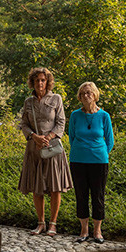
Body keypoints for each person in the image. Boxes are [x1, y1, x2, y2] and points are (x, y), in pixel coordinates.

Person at [18, 67, 73, 236]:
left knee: (55, 186)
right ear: (32, 83)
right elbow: (23, 124)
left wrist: (48, 137)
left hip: (52, 148)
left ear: (47, 82)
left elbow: (61, 122)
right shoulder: (28, 102)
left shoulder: (56, 99)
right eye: (37, 80)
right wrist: (34, 136)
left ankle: (53, 224)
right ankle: (40, 223)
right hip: (34, 149)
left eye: (43, 80)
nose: (40, 83)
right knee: (37, 186)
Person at [68, 82, 114, 244]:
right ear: (79, 97)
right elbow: (71, 137)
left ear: (95, 95)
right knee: (81, 195)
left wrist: (99, 153)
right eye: (83, 93)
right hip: (78, 160)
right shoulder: (75, 115)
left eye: (89, 93)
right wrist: (82, 150)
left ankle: (97, 230)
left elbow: (110, 140)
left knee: (98, 196)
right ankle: (84, 230)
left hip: (99, 161)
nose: (86, 96)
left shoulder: (104, 116)